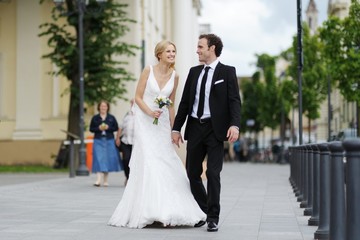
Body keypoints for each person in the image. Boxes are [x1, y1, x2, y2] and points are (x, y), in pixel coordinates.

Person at [108, 40, 206, 228]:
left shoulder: (175, 76)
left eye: (174, 51)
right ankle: (149, 210)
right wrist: (149, 112)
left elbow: (171, 104)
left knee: (167, 159)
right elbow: (137, 97)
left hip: (161, 125)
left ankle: (170, 210)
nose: (172, 54)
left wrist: (174, 129)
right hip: (145, 122)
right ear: (159, 54)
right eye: (168, 51)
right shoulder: (148, 70)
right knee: (149, 161)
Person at [171, 33, 241, 232]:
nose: (197, 50)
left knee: (212, 172)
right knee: (192, 173)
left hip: (215, 129)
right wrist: (176, 128)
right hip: (194, 127)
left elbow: (234, 101)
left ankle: (212, 217)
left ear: (212, 48)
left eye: (201, 46)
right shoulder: (193, 72)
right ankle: (204, 209)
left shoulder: (227, 72)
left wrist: (234, 125)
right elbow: (185, 103)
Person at [89, 100, 122, 187]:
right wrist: (98, 128)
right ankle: (98, 180)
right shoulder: (95, 118)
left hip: (109, 140)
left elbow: (116, 127)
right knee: (98, 159)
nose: (103, 108)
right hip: (98, 140)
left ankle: (106, 180)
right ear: (99, 107)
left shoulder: (111, 117)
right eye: (102, 106)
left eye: (105, 106)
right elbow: (91, 129)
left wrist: (108, 127)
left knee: (107, 159)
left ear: (107, 107)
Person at [116, 99, 135, 186]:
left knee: (134, 161)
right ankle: (127, 177)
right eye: (132, 103)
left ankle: (133, 179)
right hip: (125, 141)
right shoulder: (127, 115)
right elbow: (120, 127)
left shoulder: (141, 115)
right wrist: (117, 138)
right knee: (126, 159)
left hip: (136, 143)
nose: (133, 104)